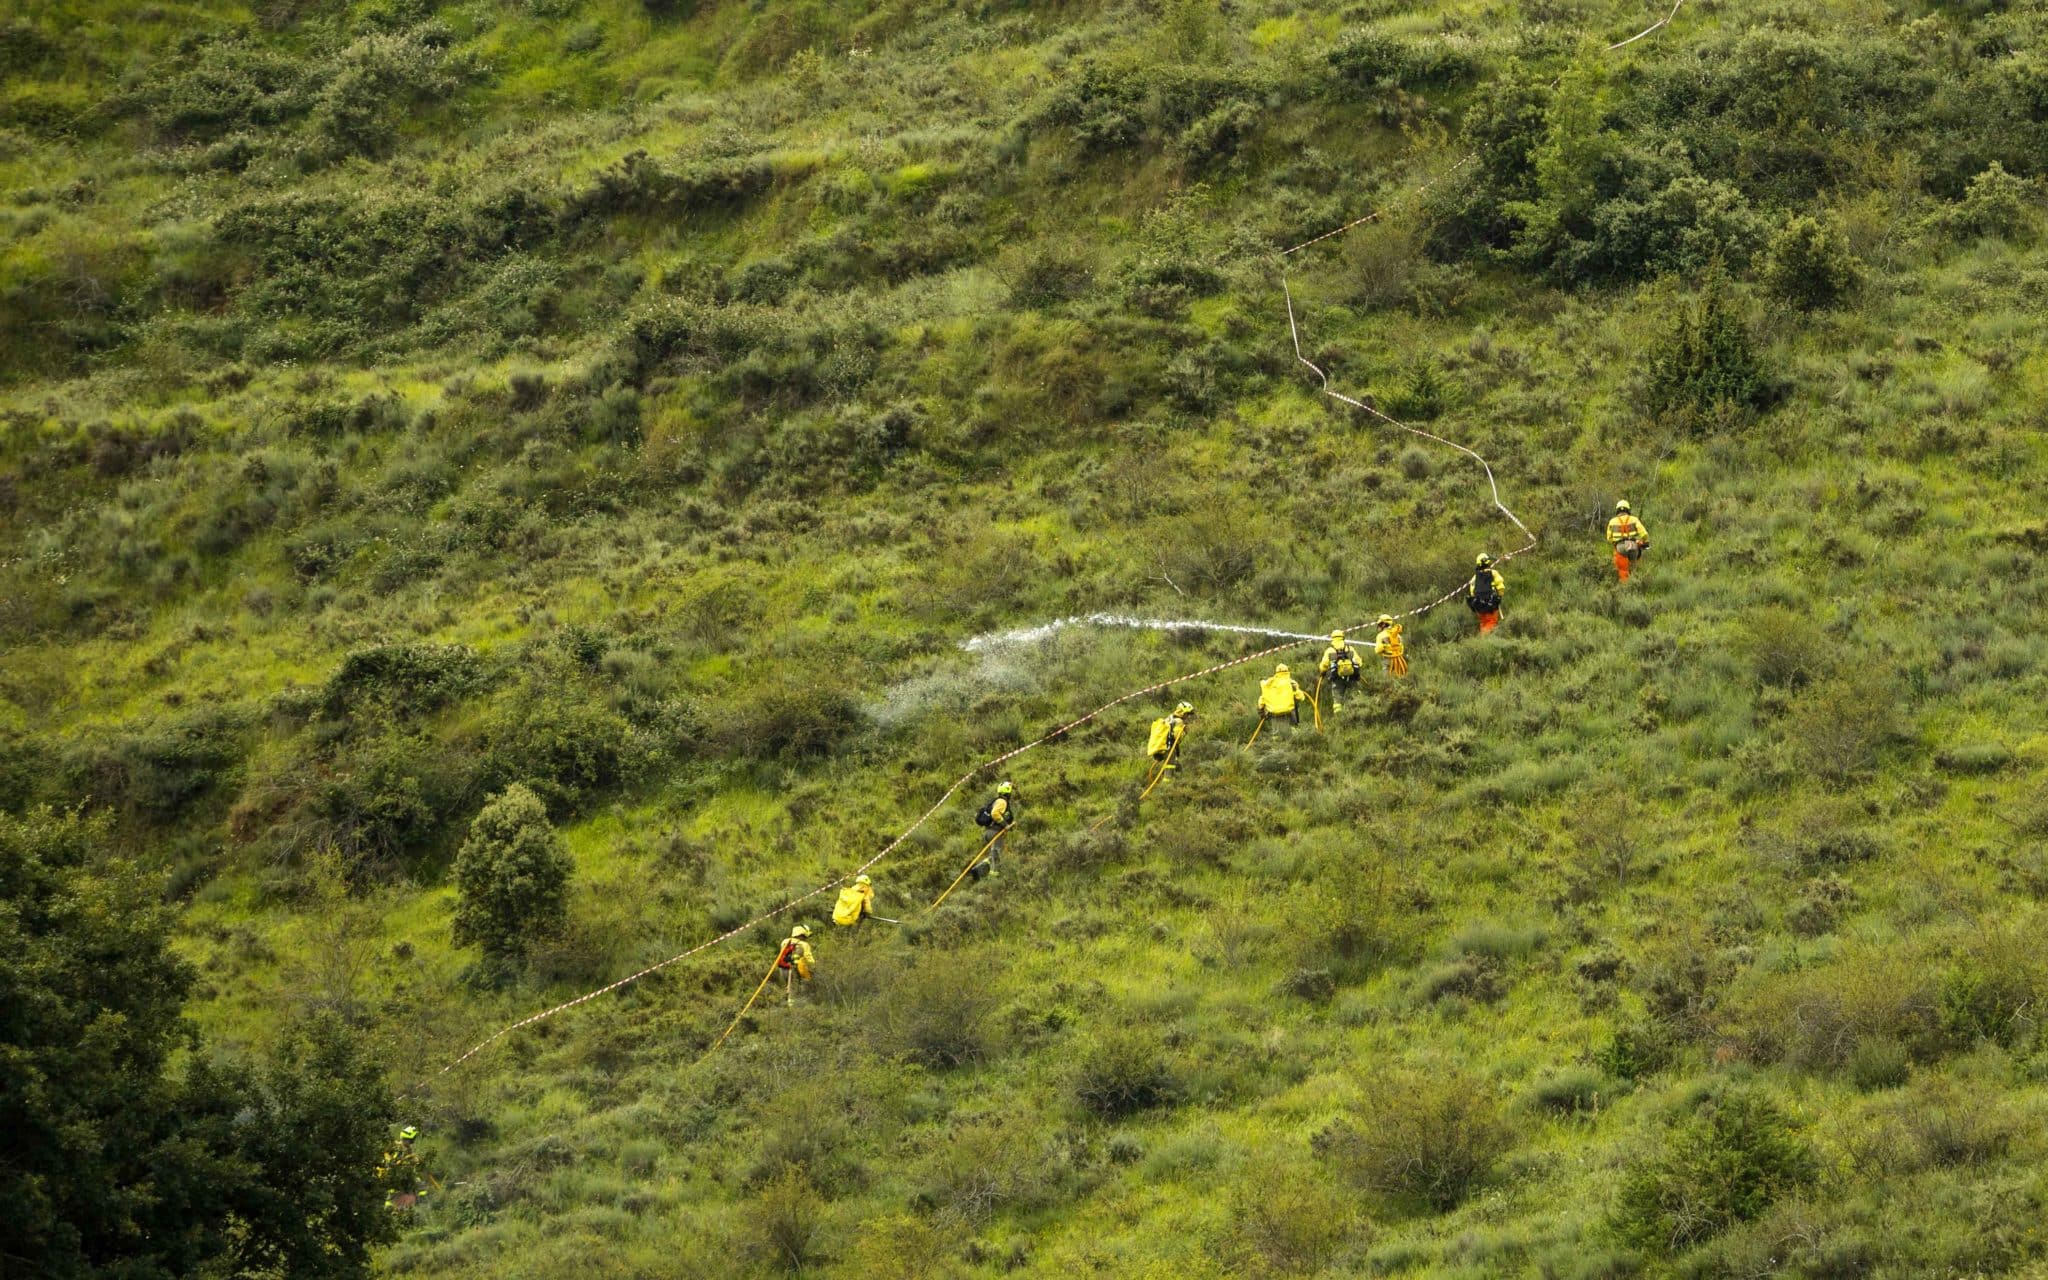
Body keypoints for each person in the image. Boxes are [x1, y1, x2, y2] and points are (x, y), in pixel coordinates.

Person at [971, 781, 1016, 880]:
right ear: (1008, 792)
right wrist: (1005, 825)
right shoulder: (1002, 802)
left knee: (994, 853)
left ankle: (979, 869)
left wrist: (1009, 825)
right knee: (996, 855)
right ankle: (993, 879)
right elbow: (995, 814)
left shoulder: (996, 801)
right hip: (995, 833)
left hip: (988, 832)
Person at [1255, 663, 1314, 731]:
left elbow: (1262, 700)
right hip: (1289, 714)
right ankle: (1294, 734)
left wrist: (1261, 711)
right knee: (1293, 732)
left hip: (1274, 715)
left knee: (1277, 736)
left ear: (1276, 673)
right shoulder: (1291, 683)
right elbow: (1301, 698)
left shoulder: (1269, 683)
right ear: (1287, 672)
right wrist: (1296, 690)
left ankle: (1277, 740)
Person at [379, 1125, 425, 1211]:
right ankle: (388, 1209)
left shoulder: (409, 1150)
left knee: (418, 1182)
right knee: (392, 1191)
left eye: (409, 1141)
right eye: (406, 1140)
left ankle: (421, 1201)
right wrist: (390, 1161)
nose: (407, 1142)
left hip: (402, 1173)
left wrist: (416, 1160)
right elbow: (385, 1153)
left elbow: (414, 1160)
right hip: (391, 1172)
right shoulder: (395, 1145)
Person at [1318, 630, 1363, 712]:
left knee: (1337, 699)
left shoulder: (1330, 650)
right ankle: (1357, 712)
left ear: (1332, 638)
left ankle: (1339, 716)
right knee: (1354, 695)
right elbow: (1358, 662)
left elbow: (1324, 665)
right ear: (1343, 637)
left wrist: (1322, 672)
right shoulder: (1350, 648)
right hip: (1352, 677)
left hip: (1337, 678)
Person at [1607, 500, 1650, 582]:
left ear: (1617, 510)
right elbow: (1644, 534)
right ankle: (1637, 581)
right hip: (1633, 546)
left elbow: (1609, 538)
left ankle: (1625, 586)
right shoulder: (1634, 519)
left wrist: (1615, 543)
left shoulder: (1612, 521)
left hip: (1620, 548)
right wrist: (1646, 542)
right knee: (1634, 567)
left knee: (1622, 570)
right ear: (1628, 510)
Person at [774, 925, 815, 1005]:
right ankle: (794, 1007)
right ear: (801, 935)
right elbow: (809, 958)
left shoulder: (785, 942)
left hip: (782, 968)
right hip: (795, 969)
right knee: (796, 987)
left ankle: (785, 1002)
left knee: (787, 986)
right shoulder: (804, 944)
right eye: (805, 936)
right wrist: (813, 966)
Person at [1148, 702, 1194, 772]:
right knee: (1170, 767)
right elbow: (1177, 738)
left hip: (1161, 747)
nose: (1188, 716)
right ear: (1182, 713)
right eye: (1187, 714)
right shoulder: (1179, 721)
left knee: (1177, 766)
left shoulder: (1170, 718)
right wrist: (1185, 732)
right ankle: (1167, 782)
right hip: (1168, 749)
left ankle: (1178, 778)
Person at [1468, 553, 1505, 634]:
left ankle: (1482, 641)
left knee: (1483, 623)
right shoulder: (1493, 573)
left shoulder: (1475, 577)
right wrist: (1498, 598)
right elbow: (1501, 587)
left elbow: (1472, 592)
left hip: (1479, 607)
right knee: (1491, 623)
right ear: (1488, 562)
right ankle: (1486, 642)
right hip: (1491, 606)